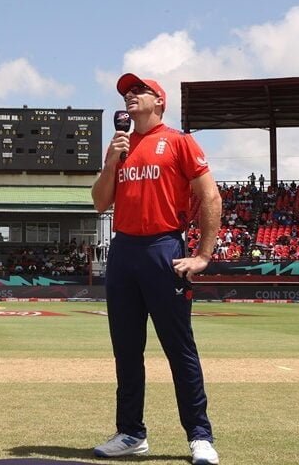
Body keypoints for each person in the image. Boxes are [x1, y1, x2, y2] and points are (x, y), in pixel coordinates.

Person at [89, 73, 223, 465]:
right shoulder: (122, 145)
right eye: (125, 93)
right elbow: (99, 202)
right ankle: (131, 432)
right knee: (126, 351)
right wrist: (113, 159)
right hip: (124, 250)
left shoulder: (180, 141)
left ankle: (199, 435)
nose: (129, 96)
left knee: (179, 349)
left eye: (138, 91)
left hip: (164, 247)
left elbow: (210, 195)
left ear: (159, 101)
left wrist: (202, 255)